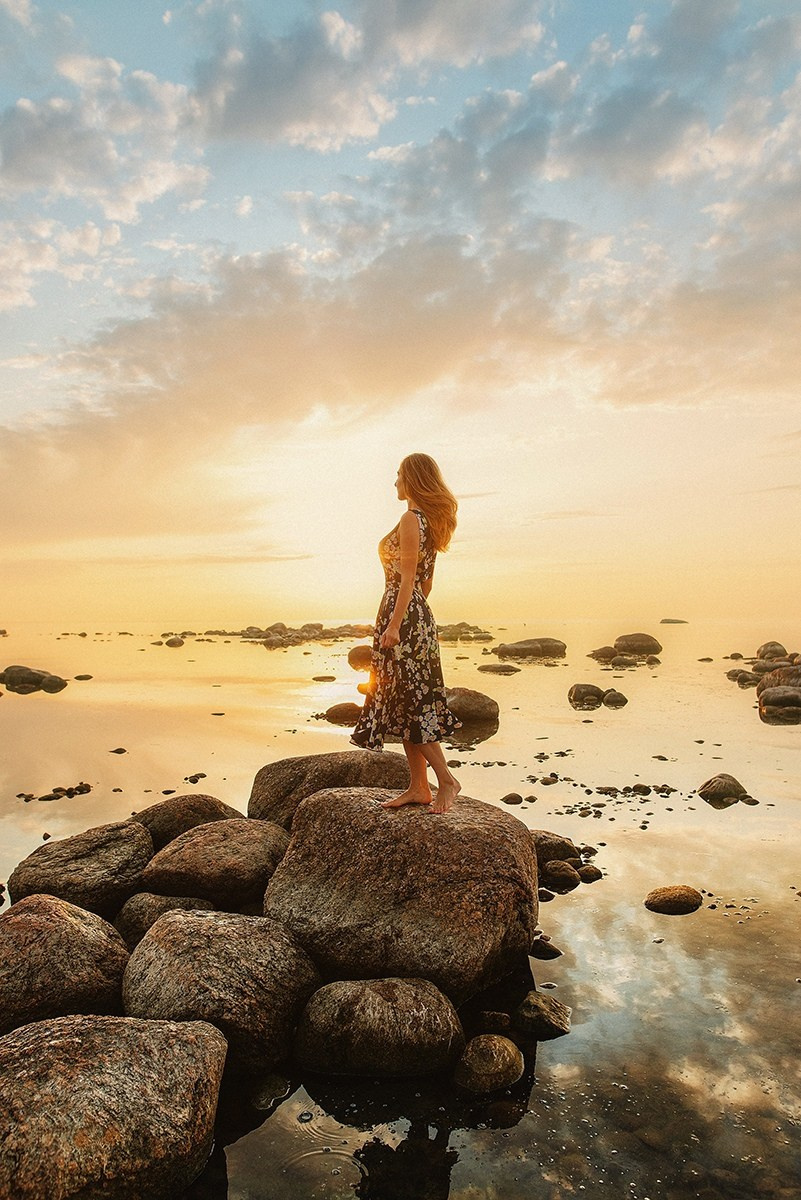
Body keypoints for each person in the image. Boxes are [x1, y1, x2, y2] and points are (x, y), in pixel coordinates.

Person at [350, 453, 463, 813]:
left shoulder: (411, 520)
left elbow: (410, 579)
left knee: (409, 701)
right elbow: (426, 584)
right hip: (414, 613)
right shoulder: (428, 522)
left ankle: (446, 779)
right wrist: (412, 614)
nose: (395, 482)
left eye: (398, 476)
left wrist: (397, 624)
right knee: (403, 701)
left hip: (403, 618)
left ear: (412, 479)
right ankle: (418, 786)